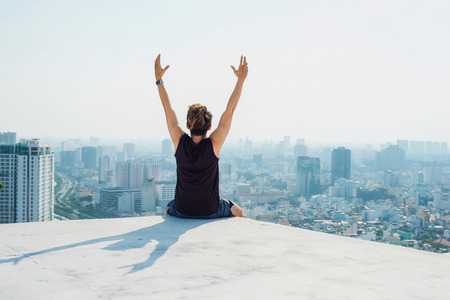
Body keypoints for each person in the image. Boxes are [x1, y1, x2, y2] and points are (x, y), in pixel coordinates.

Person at [154, 54, 248, 218]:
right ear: (210, 127)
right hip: (210, 211)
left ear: (187, 126)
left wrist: (159, 80)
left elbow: (167, 108)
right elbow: (230, 110)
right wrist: (241, 80)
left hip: (182, 210)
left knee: (169, 208)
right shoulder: (215, 143)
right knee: (237, 210)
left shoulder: (179, 140)